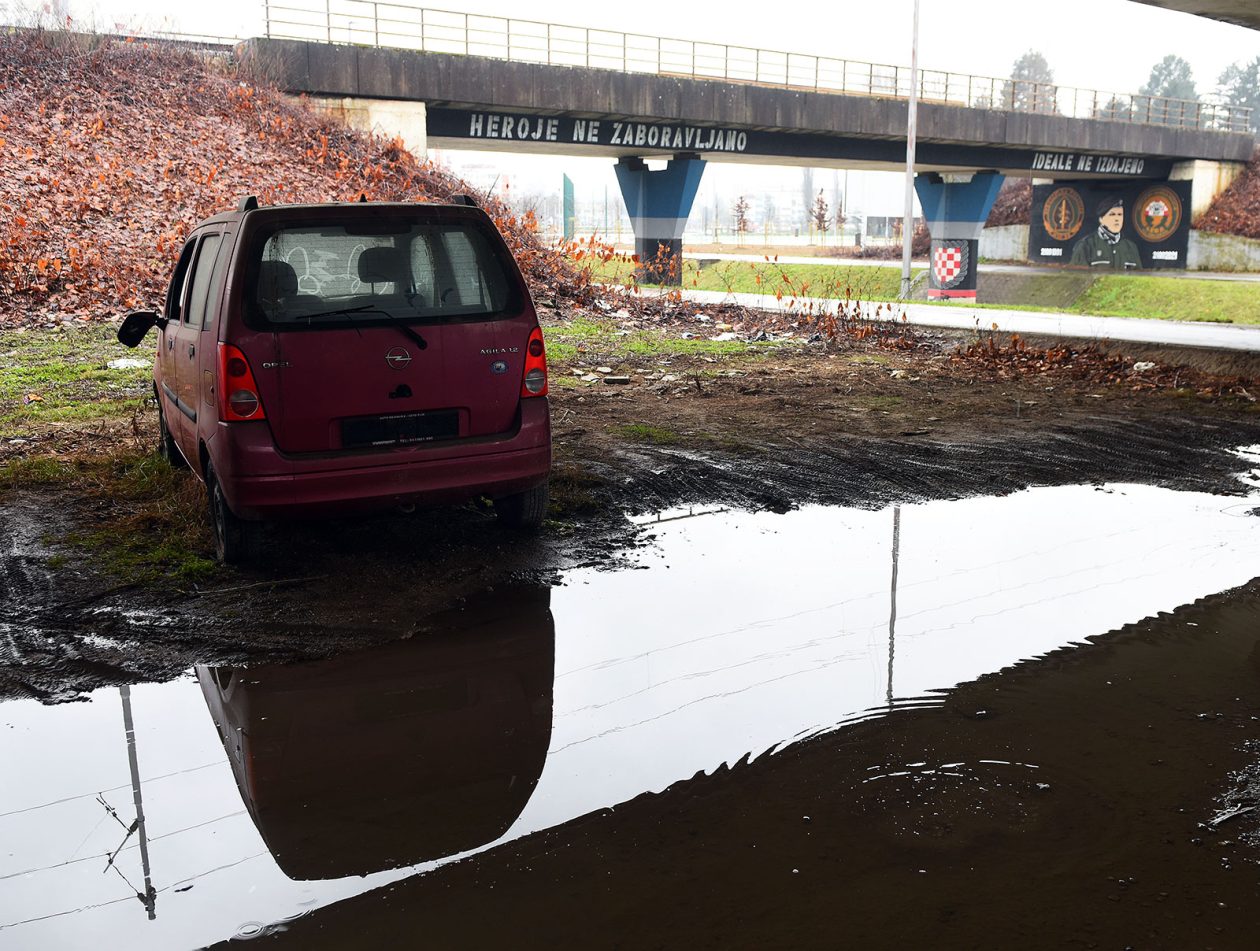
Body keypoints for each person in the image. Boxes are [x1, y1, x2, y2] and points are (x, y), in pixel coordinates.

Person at [1070, 197, 1142, 270]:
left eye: (1120, 214)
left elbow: (1140, 275)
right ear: (1101, 219)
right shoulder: (1085, 245)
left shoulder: (1131, 247)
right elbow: (1076, 275)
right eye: (1112, 214)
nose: (1117, 219)